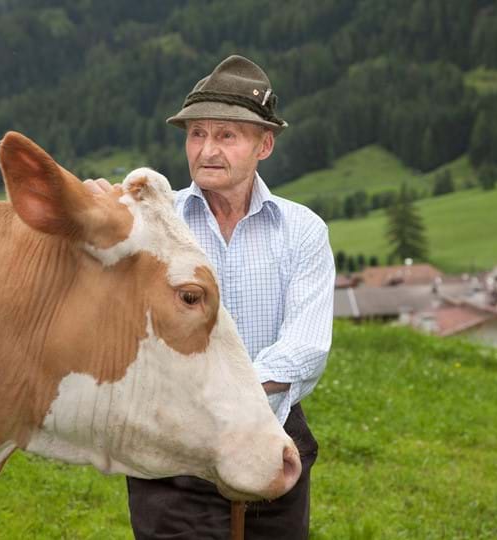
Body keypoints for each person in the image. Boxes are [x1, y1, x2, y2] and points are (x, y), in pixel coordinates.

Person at [124, 54, 334, 539]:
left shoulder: (302, 230)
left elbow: (306, 346)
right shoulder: (153, 223)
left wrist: (225, 395)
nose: (207, 150)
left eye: (226, 135)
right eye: (197, 133)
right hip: (172, 450)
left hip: (272, 440)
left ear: (265, 144)